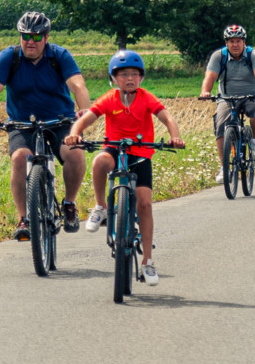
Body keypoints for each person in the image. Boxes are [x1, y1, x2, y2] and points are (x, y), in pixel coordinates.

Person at [65, 51, 185, 286]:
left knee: (145, 204)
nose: (129, 78)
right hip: (115, 149)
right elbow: (86, 118)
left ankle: (147, 261)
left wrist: (175, 136)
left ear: (141, 77)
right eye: (123, 74)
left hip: (141, 154)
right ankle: (101, 206)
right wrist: (75, 133)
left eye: (134, 74)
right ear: (114, 78)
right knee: (100, 161)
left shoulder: (146, 98)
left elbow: (167, 118)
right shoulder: (109, 99)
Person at [0, 11, 91, 240]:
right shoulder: (9, 57)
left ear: (46, 37)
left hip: (60, 120)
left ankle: (69, 203)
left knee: (75, 152)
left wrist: (84, 110)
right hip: (22, 123)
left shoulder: (59, 56)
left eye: (37, 37)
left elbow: (78, 85)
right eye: (26, 36)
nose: (31, 41)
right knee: (19, 158)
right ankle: (24, 218)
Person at [199, 23, 255, 166]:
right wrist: (205, 91)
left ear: (244, 42)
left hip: (251, 97)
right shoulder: (219, 56)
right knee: (220, 125)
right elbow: (210, 76)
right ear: (226, 43)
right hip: (227, 98)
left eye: (238, 41)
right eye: (232, 41)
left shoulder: (253, 55)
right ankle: (224, 167)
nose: (235, 45)